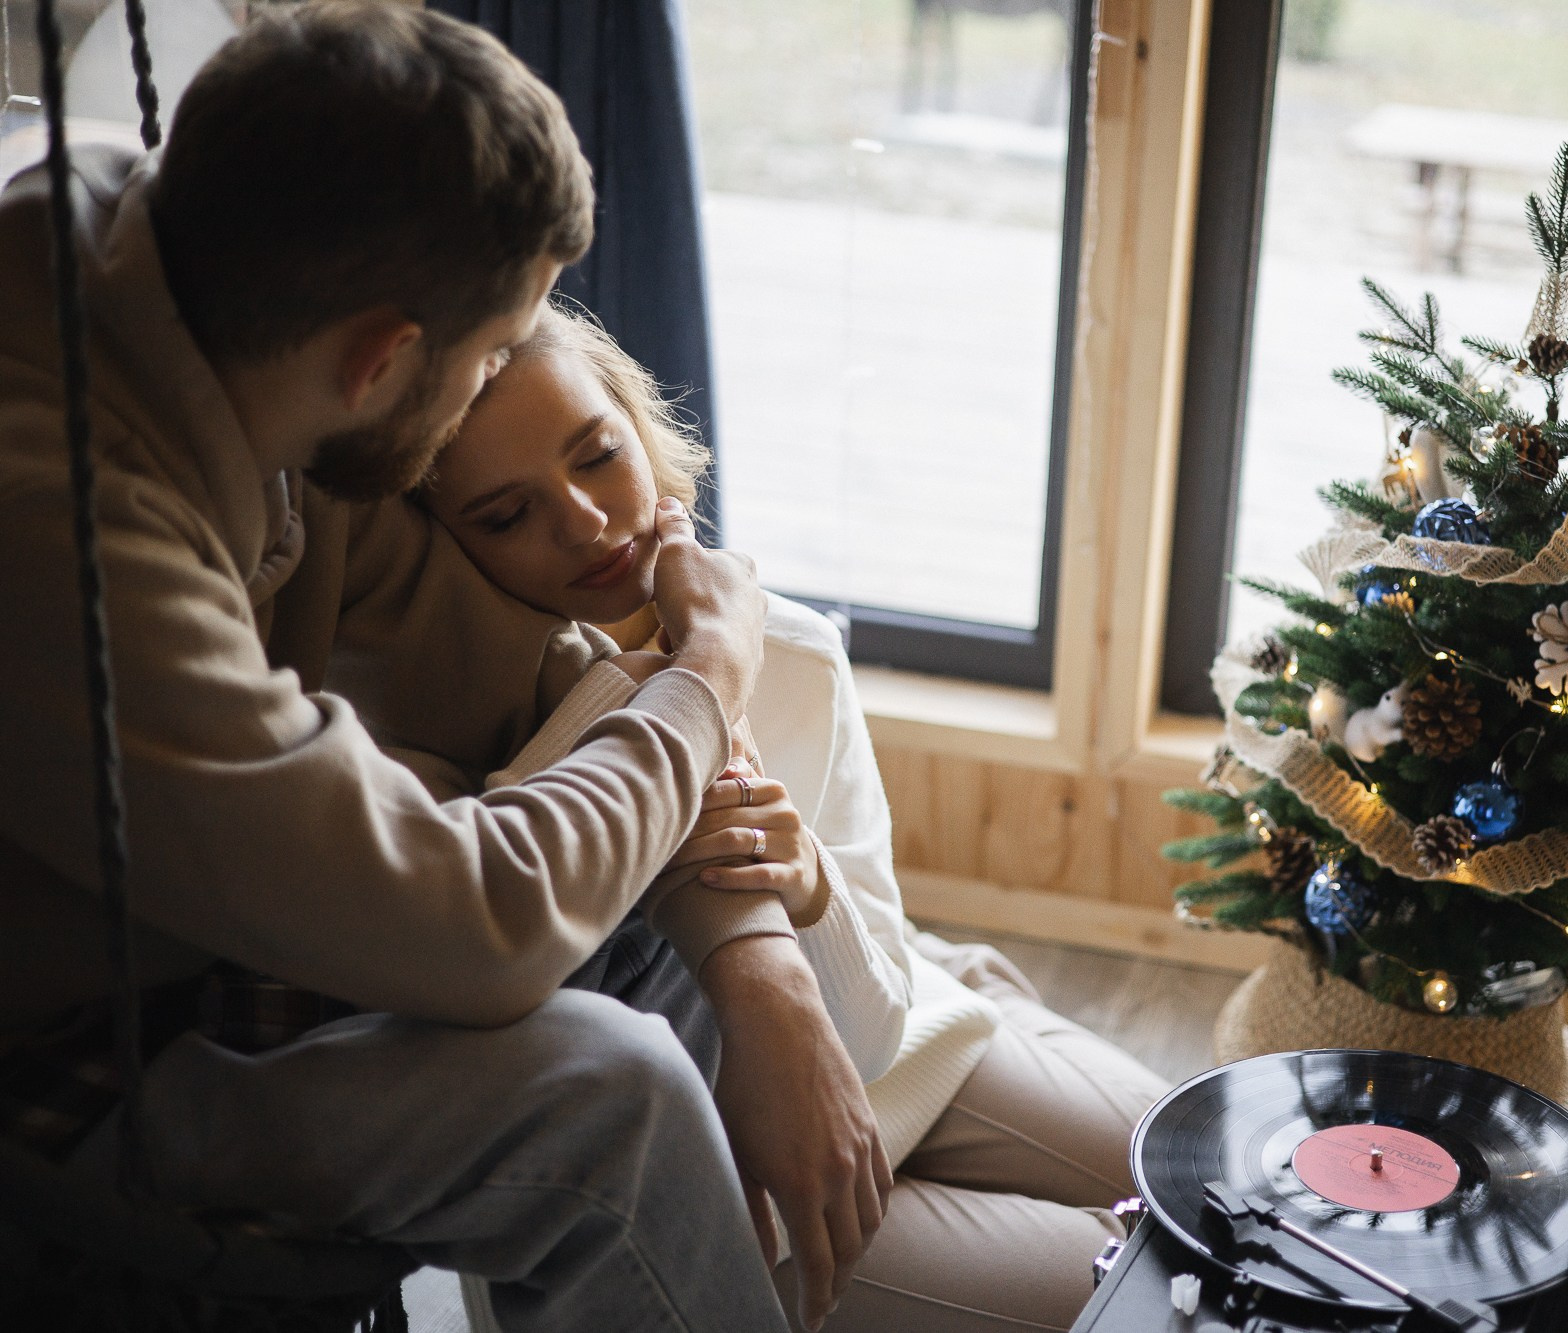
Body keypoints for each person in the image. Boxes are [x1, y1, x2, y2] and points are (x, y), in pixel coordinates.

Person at [0, 6, 880, 1330]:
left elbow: (564, 681)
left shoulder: (234, 296)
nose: (487, 394)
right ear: (383, 359)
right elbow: (484, 932)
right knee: (614, 1097)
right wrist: (709, 664)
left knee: (652, 938)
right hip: (86, 1062)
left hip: (223, 951)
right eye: (481, 366)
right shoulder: (63, 528)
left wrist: (762, 966)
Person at [381, 299, 1171, 1332]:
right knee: (1152, 1293)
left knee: (1214, 1184)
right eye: (505, 515)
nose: (582, 521)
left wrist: (809, 891)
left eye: (598, 456)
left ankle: (985, 986)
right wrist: (644, 687)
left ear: (641, 432)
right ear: (437, 547)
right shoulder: (460, 767)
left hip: (902, 1039)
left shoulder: (790, 650)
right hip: (729, 1201)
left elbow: (875, 1023)